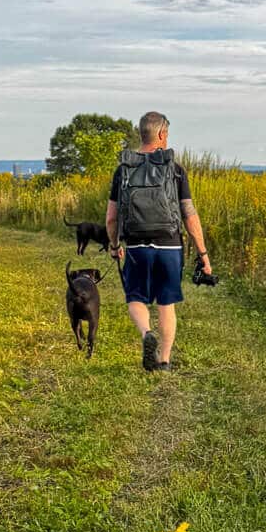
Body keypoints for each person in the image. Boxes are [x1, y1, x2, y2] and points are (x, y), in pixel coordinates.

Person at [106, 111, 213, 372]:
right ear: (162, 134)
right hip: (169, 245)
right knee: (166, 304)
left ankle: (146, 334)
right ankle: (164, 361)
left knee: (135, 297)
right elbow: (189, 214)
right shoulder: (175, 170)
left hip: (136, 245)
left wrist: (114, 245)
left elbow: (111, 217)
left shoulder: (124, 169)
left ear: (142, 134)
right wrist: (203, 255)